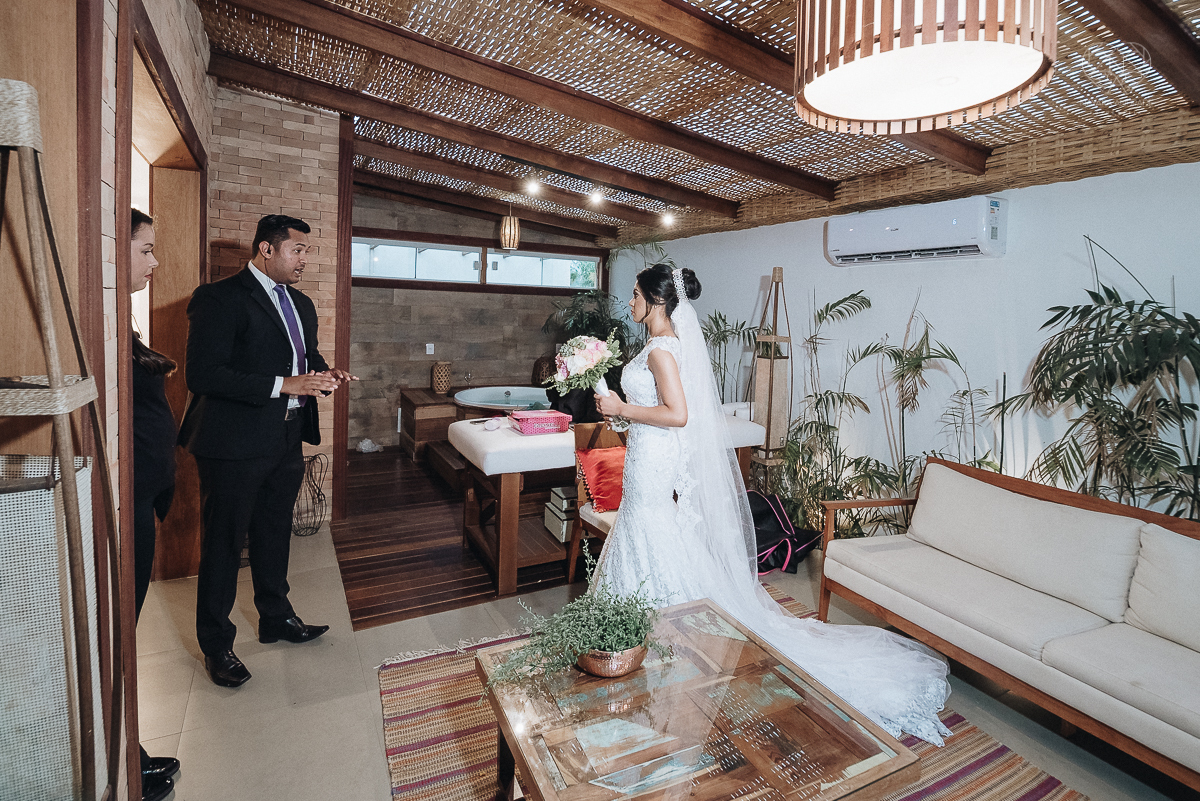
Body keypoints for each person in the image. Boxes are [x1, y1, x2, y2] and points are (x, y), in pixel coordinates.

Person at [593, 263, 952, 745]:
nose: (630, 301)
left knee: (648, 528)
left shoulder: (662, 350)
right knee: (646, 530)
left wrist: (621, 408)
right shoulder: (661, 344)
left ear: (657, 300)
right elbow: (663, 415)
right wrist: (628, 422)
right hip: (647, 453)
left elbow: (679, 414)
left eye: (636, 294)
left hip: (652, 462)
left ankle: (656, 634)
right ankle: (639, 630)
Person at [178, 214, 356, 688]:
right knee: (224, 543)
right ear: (266, 250)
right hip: (232, 442)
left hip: (286, 436)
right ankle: (217, 646)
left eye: (306, 250)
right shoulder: (218, 299)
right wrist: (285, 384)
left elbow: (305, 359)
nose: (305, 259)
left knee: (275, 531)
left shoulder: (301, 304)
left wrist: (324, 374)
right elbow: (203, 375)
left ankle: (276, 617)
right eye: (298, 250)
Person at [128, 209, 181, 801]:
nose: (155, 261)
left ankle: (129, 749)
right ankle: (126, 757)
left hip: (143, 493)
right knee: (122, 626)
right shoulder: (100, 320)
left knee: (126, 627)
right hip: (127, 494)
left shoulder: (123, 320)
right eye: (146, 250)